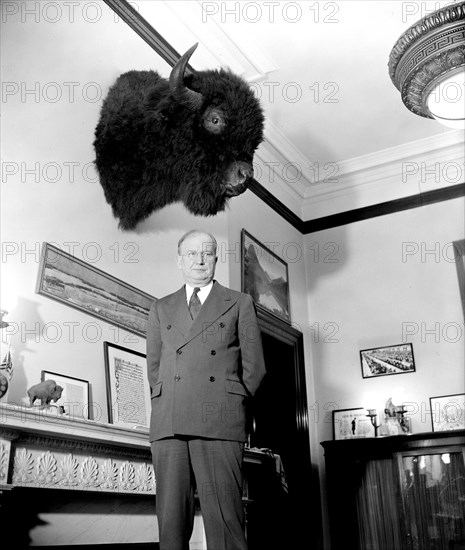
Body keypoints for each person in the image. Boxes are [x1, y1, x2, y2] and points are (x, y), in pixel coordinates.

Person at [147, 229, 266, 550]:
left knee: (225, 521)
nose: (199, 260)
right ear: (179, 260)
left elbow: (255, 367)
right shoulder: (160, 307)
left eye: (207, 253)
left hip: (219, 421)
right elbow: (155, 369)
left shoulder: (240, 302)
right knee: (170, 525)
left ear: (215, 258)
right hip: (169, 423)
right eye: (191, 254)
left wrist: (230, 405)